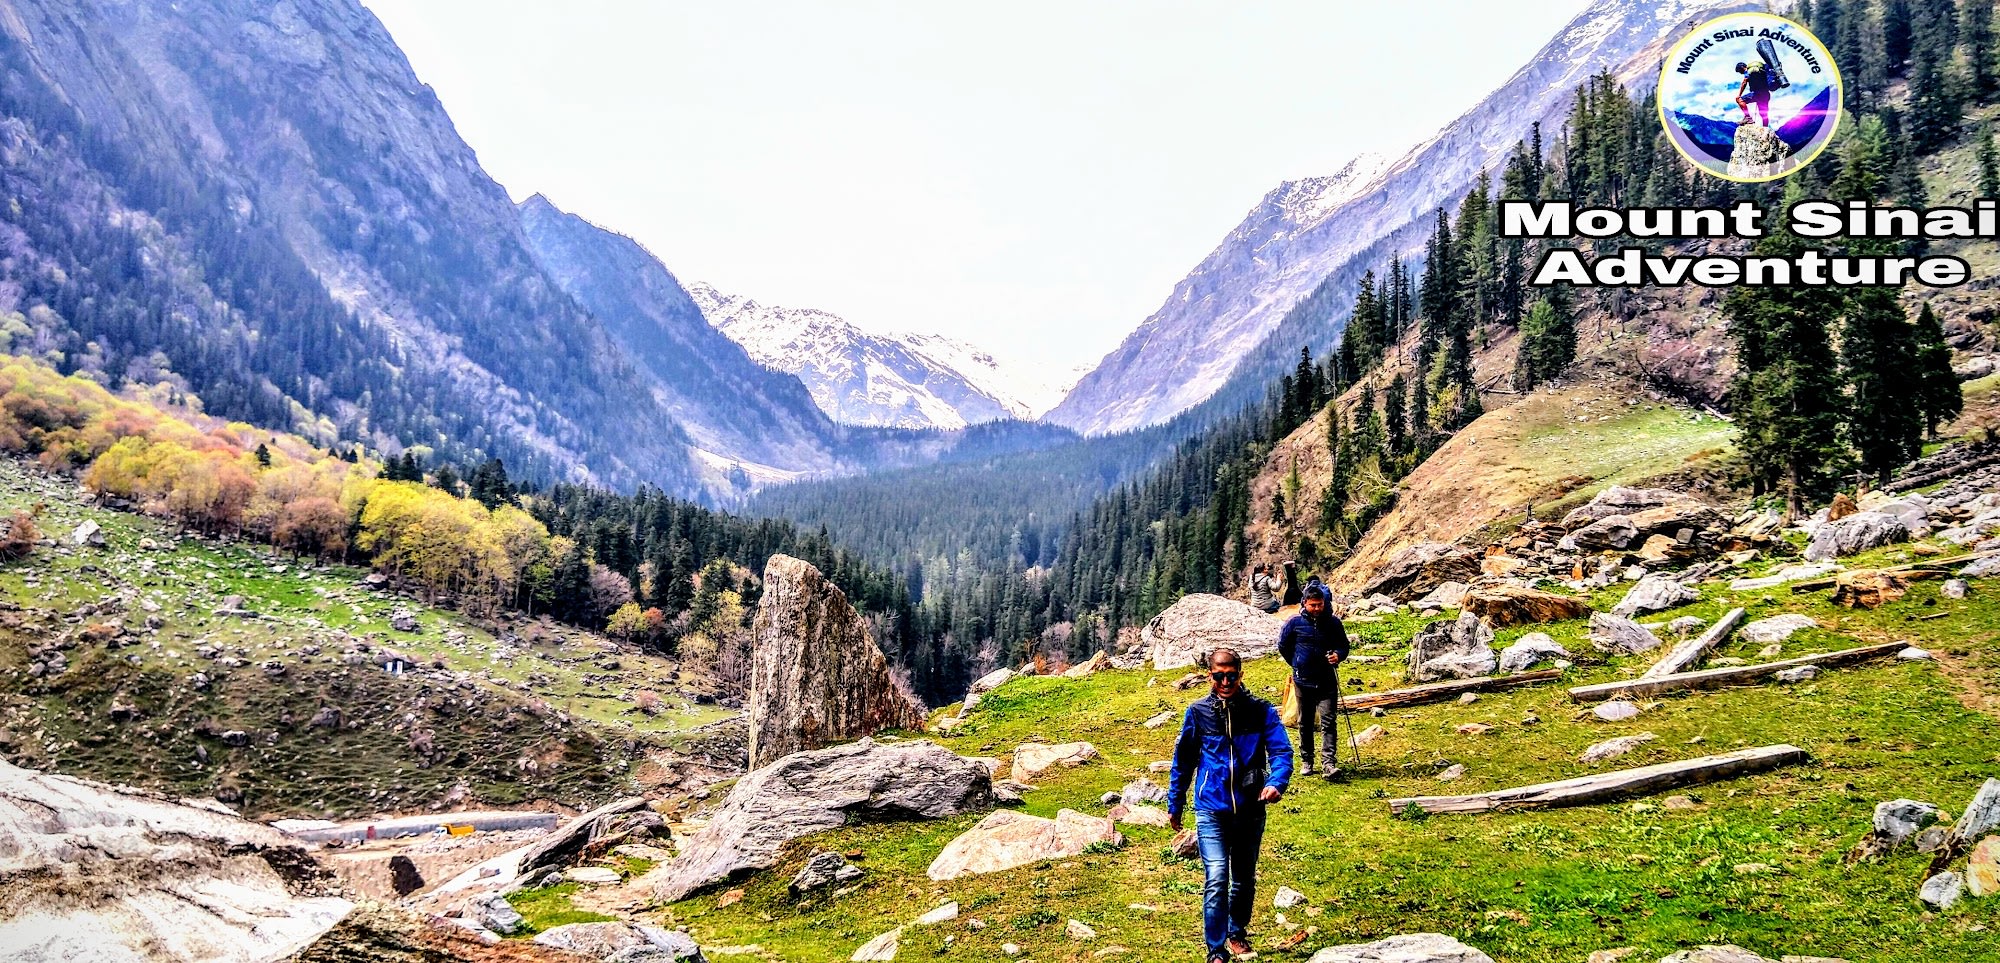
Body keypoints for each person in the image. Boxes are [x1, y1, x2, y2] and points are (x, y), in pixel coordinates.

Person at [1167, 647, 1294, 963]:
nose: (1225, 681)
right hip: (1211, 808)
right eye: (1219, 675)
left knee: (1244, 878)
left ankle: (1236, 932)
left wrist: (1276, 782)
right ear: (1209, 675)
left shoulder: (1260, 711)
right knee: (1217, 876)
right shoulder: (1197, 713)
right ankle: (1215, 949)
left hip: (1251, 808)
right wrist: (1175, 802)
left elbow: (1281, 752)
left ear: (1240, 674)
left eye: (1231, 675)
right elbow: (1183, 761)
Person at [1278, 578, 1351, 779]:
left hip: (1327, 680)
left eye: (1320, 605)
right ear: (1305, 604)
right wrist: (1296, 663)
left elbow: (1343, 645)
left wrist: (1338, 655)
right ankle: (1307, 760)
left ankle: (1329, 763)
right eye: (1313, 605)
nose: (1317, 608)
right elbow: (1283, 645)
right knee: (1305, 722)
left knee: (1328, 721)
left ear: (1325, 603)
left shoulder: (1333, 622)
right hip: (1303, 681)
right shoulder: (1294, 623)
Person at [1735, 60, 1772, 127]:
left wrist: (1739, 95)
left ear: (1742, 67)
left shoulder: (1748, 71)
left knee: (1740, 100)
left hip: (1757, 94)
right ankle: (1765, 129)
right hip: (1766, 94)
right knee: (1764, 114)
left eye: (1739, 71)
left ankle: (1748, 118)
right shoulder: (1762, 71)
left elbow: (1744, 82)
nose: (1741, 73)